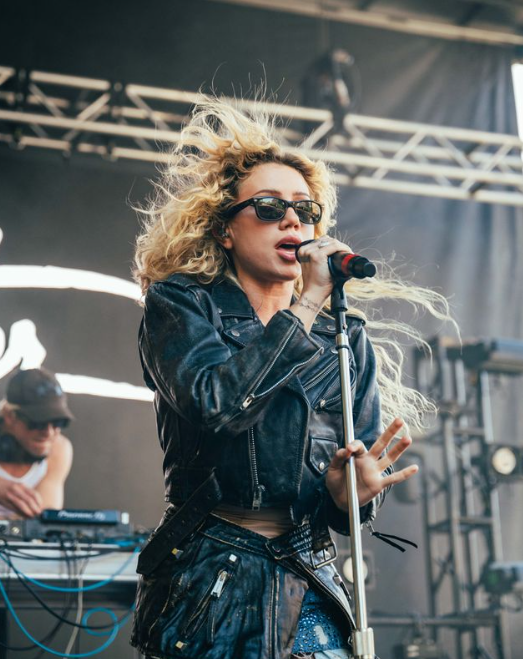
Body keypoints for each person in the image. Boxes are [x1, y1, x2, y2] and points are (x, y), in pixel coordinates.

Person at [130, 99, 452, 659]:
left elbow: (348, 493)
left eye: (305, 209)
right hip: (211, 584)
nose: (292, 220)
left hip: (310, 577)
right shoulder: (182, 304)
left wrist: (353, 497)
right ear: (224, 230)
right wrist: (304, 304)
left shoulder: (343, 335)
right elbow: (218, 405)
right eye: (269, 206)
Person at [0, 368, 74, 518]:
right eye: (38, 423)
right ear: (10, 416)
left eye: (57, 423)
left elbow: (44, 517)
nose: (49, 433)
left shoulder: (59, 448)